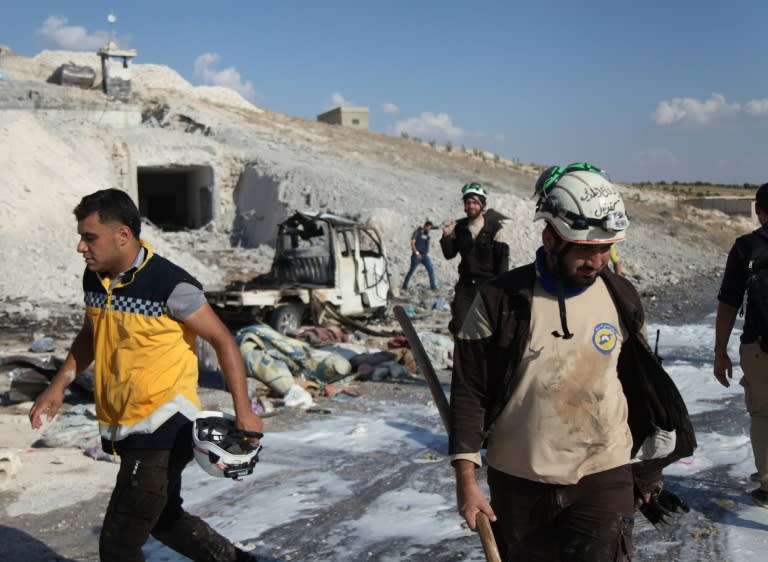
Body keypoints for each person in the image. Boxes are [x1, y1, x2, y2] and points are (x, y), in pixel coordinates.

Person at [449, 163, 695, 560]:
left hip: (603, 472)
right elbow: (469, 390)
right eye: (586, 248)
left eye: (606, 248)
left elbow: (640, 383)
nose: (597, 260)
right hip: (518, 482)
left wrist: (649, 467)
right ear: (551, 238)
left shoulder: (621, 296)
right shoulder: (498, 300)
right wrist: (466, 479)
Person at [29, 188, 264, 562]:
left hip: (163, 426)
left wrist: (245, 411)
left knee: (119, 544)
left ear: (122, 235)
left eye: (89, 237)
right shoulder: (95, 280)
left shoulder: (171, 285)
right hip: (124, 423)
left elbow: (224, 342)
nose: (80, 247)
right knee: (164, 518)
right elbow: (92, 335)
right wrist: (58, 385)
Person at [714, 182, 768, 508]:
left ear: (759, 210)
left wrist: (720, 352)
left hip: (759, 346)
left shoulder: (746, 247)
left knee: (763, 414)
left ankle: (767, 485)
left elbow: (728, 303)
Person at [440, 183, 509, 333]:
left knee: (490, 329)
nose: (471, 206)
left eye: (475, 202)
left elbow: (502, 263)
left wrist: (500, 292)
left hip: (489, 286)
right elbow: (449, 254)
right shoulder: (459, 228)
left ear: (482, 205)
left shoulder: (495, 228)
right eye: (468, 202)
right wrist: (446, 235)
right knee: (460, 327)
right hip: (466, 286)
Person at [401, 220, 437, 290]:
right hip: (416, 256)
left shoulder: (427, 234)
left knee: (431, 270)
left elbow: (435, 228)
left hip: (424, 256)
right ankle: (404, 286)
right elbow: (412, 243)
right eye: (429, 228)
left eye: (430, 228)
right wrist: (417, 253)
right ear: (425, 226)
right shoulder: (417, 232)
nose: (430, 230)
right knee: (411, 271)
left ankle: (433, 287)